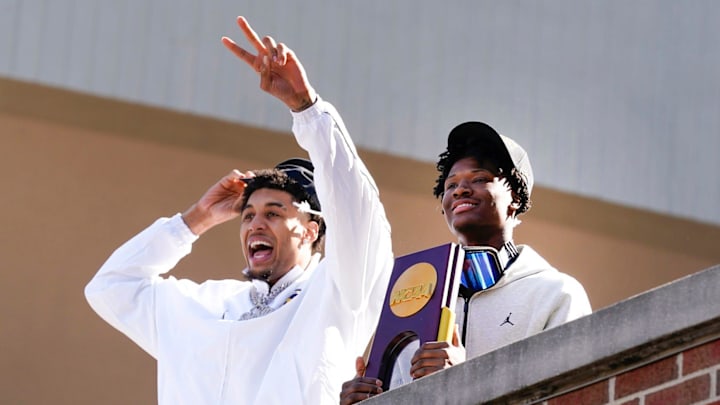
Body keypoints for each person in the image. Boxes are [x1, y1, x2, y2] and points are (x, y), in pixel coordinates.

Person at [85, 16, 393, 405]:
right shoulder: (208, 304)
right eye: (248, 215)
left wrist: (307, 109)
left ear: (312, 229)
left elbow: (357, 210)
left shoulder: (336, 292)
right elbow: (111, 287)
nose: (255, 224)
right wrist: (195, 220)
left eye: (275, 213)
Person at [339, 122, 591, 404]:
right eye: (451, 185)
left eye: (480, 178)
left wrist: (468, 381)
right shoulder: (414, 298)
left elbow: (568, 396)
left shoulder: (556, 294)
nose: (460, 190)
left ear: (516, 197)